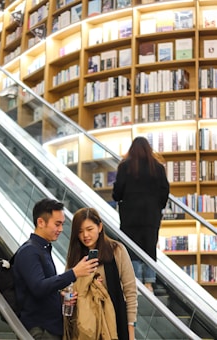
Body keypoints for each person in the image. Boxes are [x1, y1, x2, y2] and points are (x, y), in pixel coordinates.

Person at [13, 198, 98, 340]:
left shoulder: (42, 249)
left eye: (62, 224)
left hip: (49, 327)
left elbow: (40, 289)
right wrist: (74, 273)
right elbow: (38, 287)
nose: (61, 229)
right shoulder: (29, 251)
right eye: (57, 224)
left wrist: (60, 298)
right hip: (40, 330)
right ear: (41, 222)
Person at [65, 207, 137, 340]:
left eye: (89, 229)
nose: (85, 235)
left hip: (114, 322)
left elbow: (130, 291)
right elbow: (67, 288)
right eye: (80, 232)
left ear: (100, 227)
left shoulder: (116, 250)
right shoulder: (76, 256)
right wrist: (71, 295)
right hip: (85, 326)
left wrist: (130, 329)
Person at [112, 136, 169, 293]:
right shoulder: (157, 167)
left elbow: (117, 192)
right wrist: (158, 207)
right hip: (151, 215)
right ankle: (149, 283)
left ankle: (135, 282)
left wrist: (120, 198)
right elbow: (165, 190)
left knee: (131, 247)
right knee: (150, 246)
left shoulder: (125, 166)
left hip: (130, 215)